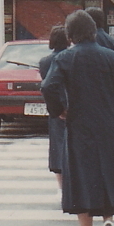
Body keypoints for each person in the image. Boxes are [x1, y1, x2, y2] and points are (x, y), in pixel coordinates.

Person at [42, 10, 114, 226]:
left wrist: (59, 111)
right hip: (107, 126)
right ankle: (108, 222)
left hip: (78, 126)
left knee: (81, 179)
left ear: (70, 34)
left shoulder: (65, 58)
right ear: (94, 31)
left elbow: (48, 85)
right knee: (107, 174)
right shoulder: (111, 57)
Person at [37, 25, 69, 192]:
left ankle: (62, 187)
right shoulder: (72, 57)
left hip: (57, 110)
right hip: (74, 108)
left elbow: (47, 86)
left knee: (57, 148)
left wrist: (56, 109)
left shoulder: (45, 62)